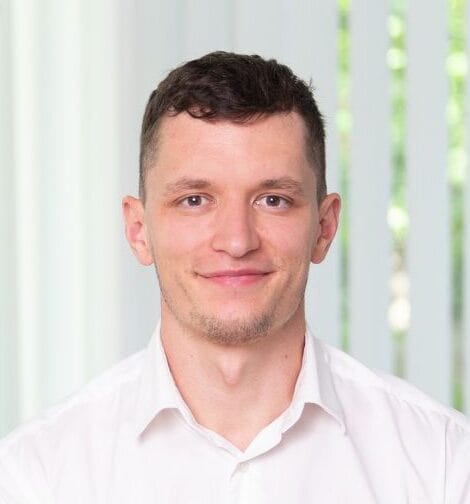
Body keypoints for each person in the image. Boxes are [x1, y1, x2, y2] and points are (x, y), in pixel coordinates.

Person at [0, 51, 469, 503]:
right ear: (139, 231)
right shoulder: (36, 475)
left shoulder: (443, 463)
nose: (237, 240)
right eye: (195, 200)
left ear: (324, 228)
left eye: (273, 200)